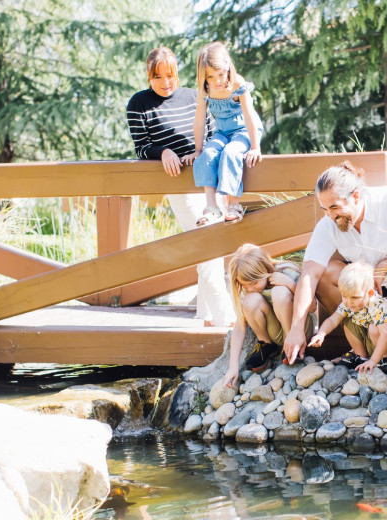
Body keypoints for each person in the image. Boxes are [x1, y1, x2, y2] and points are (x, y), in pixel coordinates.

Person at [283, 161, 387, 367]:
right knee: (324, 275)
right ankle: (365, 349)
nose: (330, 216)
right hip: (367, 298)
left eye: (335, 207)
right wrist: (296, 329)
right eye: (324, 209)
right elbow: (308, 275)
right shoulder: (328, 223)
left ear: (356, 196)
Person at [126, 46, 235, 327]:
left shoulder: (192, 96)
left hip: (208, 177)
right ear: (148, 76)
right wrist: (163, 152)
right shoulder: (139, 104)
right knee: (206, 243)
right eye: (158, 77)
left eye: (170, 76)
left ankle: (206, 314)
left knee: (213, 243)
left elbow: (213, 133)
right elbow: (141, 147)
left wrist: (199, 151)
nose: (165, 82)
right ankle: (226, 318)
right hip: (179, 184)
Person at [186, 42, 263, 226]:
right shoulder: (205, 89)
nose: (217, 81)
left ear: (228, 67)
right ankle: (211, 207)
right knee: (207, 155)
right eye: (210, 77)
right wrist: (197, 150)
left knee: (231, 152)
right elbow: (199, 119)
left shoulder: (237, 83)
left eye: (220, 75)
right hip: (222, 132)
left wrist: (255, 147)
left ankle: (233, 205)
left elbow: (249, 114)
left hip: (244, 130)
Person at [223, 244, 316, 388]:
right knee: (250, 300)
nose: (250, 288)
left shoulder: (287, 272)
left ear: (265, 270)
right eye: (245, 285)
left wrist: (291, 284)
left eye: (254, 283)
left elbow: (313, 307)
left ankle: (291, 347)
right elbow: (240, 327)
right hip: (275, 332)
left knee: (279, 293)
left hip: (298, 329)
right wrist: (233, 366)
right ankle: (265, 345)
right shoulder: (248, 288)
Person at [308, 262, 387, 374]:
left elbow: (386, 335)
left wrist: (373, 361)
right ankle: (361, 356)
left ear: (370, 293)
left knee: (373, 328)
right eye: (344, 296)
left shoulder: (378, 305)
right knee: (346, 320)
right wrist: (321, 333)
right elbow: (333, 319)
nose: (349, 302)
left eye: (355, 297)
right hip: (371, 339)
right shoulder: (348, 303)